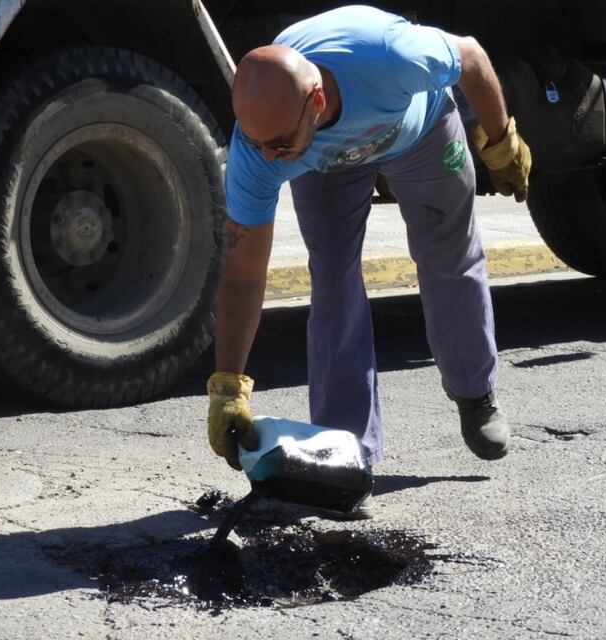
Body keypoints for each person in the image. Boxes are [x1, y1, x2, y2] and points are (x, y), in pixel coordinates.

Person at [206, 5, 532, 483]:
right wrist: (228, 385)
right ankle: (346, 452)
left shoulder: (389, 56)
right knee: (333, 277)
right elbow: (243, 275)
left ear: (316, 100)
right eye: (259, 145)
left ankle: (475, 395)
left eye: (278, 143)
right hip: (328, 164)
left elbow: (471, 57)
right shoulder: (259, 152)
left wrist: (501, 140)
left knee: (449, 251)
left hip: (418, 132)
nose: (269, 157)